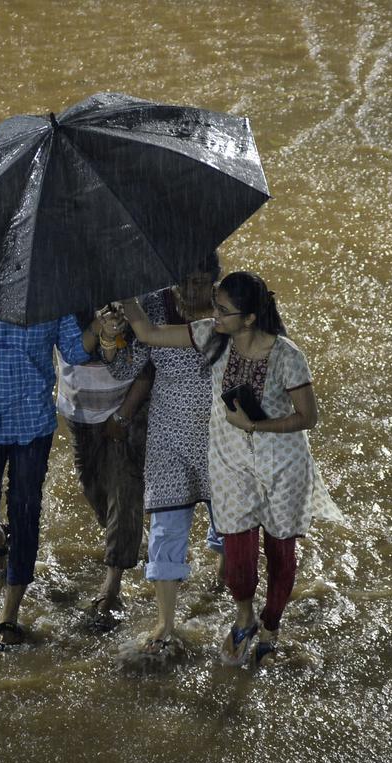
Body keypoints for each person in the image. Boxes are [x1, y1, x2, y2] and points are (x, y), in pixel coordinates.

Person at [118, 269, 345, 667]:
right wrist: (124, 292)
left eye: (223, 310)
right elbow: (149, 333)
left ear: (250, 318)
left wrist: (256, 425)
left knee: (280, 554)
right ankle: (245, 615)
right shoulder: (211, 336)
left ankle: (271, 627)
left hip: (282, 466)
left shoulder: (287, 356)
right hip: (231, 465)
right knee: (239, 557)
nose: (213, 313)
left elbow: (308, 417)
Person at [0, 310, 99, 649]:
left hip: (33, 426)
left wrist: (100, 327)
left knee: (26, 511)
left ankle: (9, 615)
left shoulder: (49, 297)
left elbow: (74, 351)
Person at [99, 253, 224, 657]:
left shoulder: (232, 308)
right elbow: (123, 369)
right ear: (171, 280)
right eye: (184, 280)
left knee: (231, 521)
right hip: (168, 432)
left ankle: (225, 574)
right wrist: (109, 336)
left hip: (225, 435)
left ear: (215, 283)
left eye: (202, 282)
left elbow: (266, 351)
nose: (192, 290)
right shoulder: (151, 303)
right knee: (167, 526)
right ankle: (166, 621)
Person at [56, 322, 153, 631]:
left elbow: (151, 361)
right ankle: (125, 535)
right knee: (94, 489)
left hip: (127, 407)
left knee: (125, 488)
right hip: (80, 409)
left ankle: (112, 583)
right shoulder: (55, 296)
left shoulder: (133, 295)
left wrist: (125, 413)